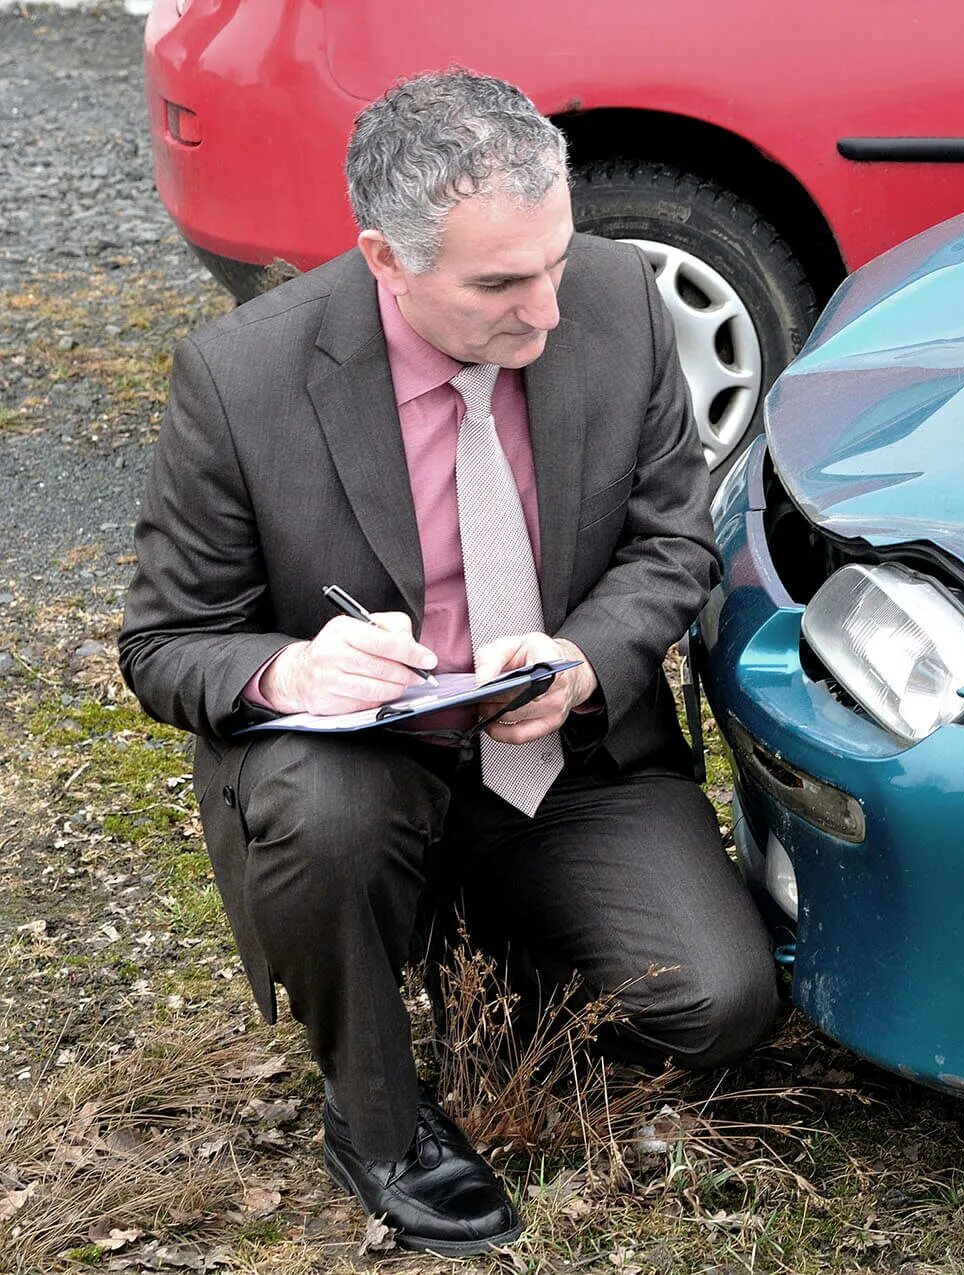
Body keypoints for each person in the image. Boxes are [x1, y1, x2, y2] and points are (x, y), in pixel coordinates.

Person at [118, 69, 780, 1257]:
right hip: (364, 765)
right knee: (325, 819)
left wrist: (585, 658)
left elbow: (672, 541)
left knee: (720, 1007)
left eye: (556, 261)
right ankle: (377, 1118)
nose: (548, 313)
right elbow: (167, 644)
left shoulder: (622, 296)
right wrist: (292, 675)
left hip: (571, 757)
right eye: (499, 284)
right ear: (386, 259)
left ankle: (479, 933)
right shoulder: (243, 379)